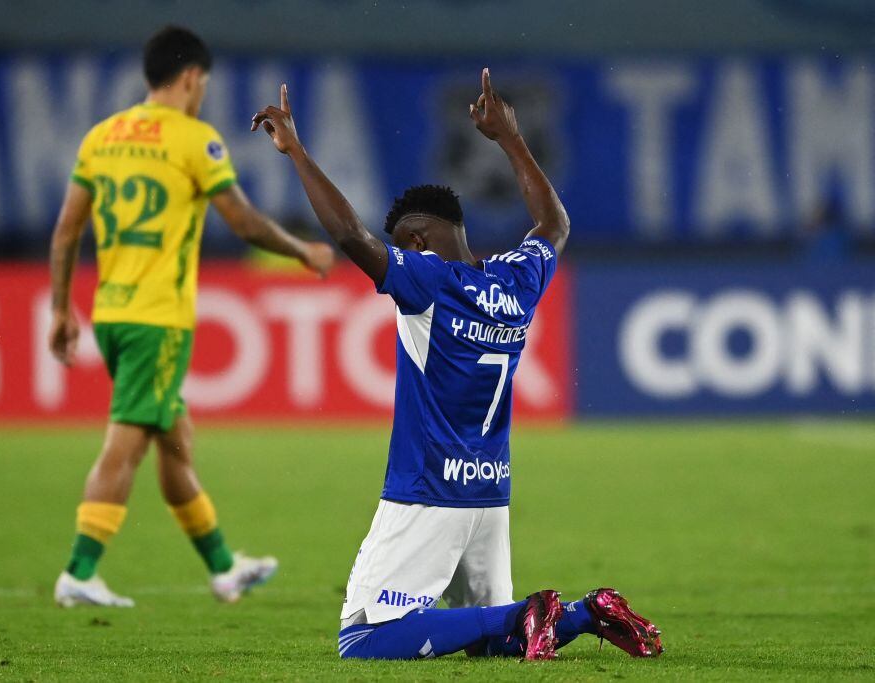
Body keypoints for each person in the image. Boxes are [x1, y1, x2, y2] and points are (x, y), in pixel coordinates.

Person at [250, 69, 663, 660]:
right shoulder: (515, 280)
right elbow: (555, 226)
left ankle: (529, 611)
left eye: (401, 245)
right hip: (489, 495)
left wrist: (297, 152)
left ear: (416, 241)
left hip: (428, 492)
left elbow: (348, 234)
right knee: (494, 643)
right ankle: (584, 612)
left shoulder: (426, 282)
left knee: (363, 639)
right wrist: (512, 139)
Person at [48, 25, 334, 607]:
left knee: (174, 440)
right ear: (190, 77)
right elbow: (245, 222)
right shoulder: (195, 141)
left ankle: (224, 568)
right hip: (158, 318)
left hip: (112, 313)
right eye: (202, 81)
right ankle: (80, 570)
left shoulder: (102, 136)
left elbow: (66, 231)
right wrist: (304, 250)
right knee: (126, 441)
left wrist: (59, 308)